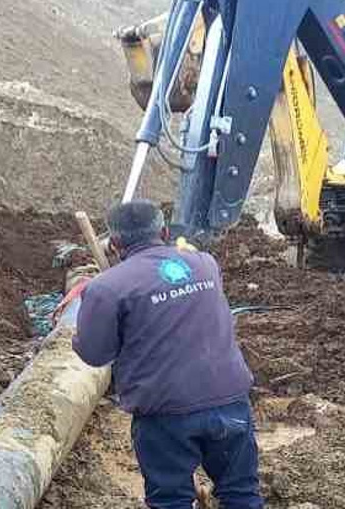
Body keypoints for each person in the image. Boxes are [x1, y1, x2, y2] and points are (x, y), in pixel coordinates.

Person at [72, 200, 263, 508]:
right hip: (230, 401)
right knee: (241, 493)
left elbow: (94, 354)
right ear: (163, 231)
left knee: (171, 500)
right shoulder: (205, 263)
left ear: (115, 243)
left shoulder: (106, 288)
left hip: (165, 414)